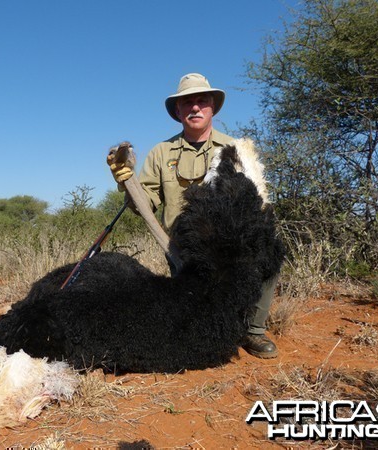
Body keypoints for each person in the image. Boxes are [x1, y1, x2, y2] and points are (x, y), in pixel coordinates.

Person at [109, 73, 279, 359]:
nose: (195, 108)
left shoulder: (236, 149)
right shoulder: (161, 153)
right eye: (188, 103)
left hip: (228, 245)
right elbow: (146, 202)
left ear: (212, 108)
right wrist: (127, 182)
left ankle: (254, 331)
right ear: (178, 111)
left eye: (202, 101)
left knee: (270, 250)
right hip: (183, 248)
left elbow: (255, 200)